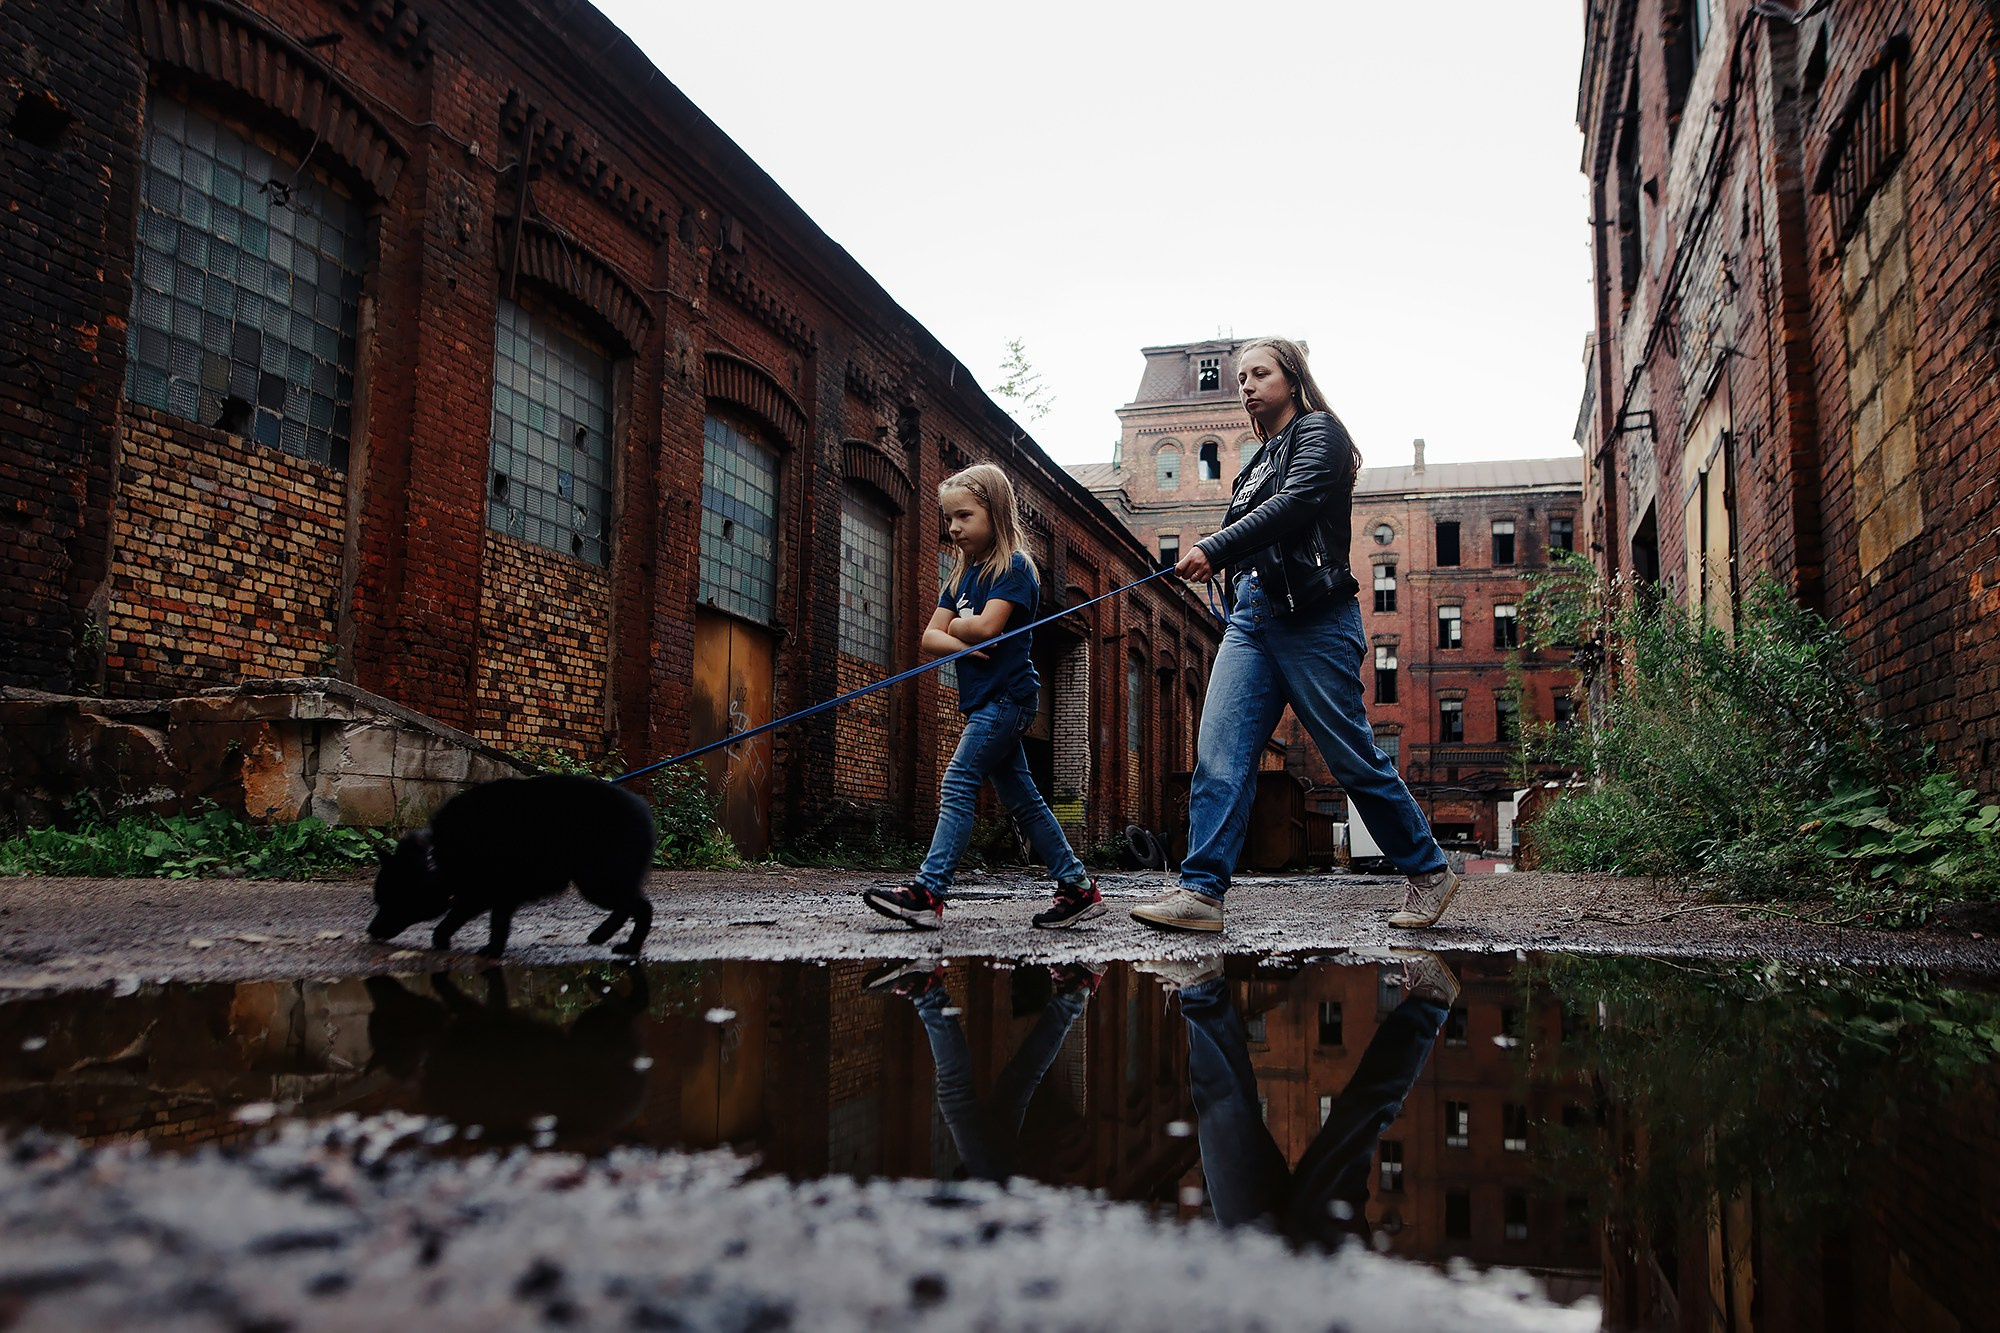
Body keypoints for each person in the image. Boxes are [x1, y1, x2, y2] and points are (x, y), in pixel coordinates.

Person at [1132, 338, 1461, 935]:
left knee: (1351, 758)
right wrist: (1230, 570)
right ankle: (1201, 892)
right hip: (1251, 623)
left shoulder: (1320, 433)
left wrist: (1215, 546)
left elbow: (1296, 504)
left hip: (1314, 619)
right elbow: (1255, 532)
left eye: (1260, 373)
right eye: (1241, 378)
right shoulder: (1256, 462)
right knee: (1219, 756)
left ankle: (1429, 871)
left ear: (1292, 379)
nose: (1247, 386)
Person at [863, 464, 1104, 930]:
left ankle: (928, 892)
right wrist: (963, 638)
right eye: (948, 517)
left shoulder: (1014, 568)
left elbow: (989, 627)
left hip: (1007, 698)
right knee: (1024, 800)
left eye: (964, 516)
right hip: (985, 700)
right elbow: (929, 639)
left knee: (957, 782)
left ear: (995, 513)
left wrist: (957, 629)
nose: (953, 527)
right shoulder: (960, 578)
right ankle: (1077, 887)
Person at [1139, 948, 1458, 1248]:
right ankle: (1430, 1000)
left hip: (1261, 1275)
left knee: (1222, 1123)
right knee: (1350, 1129)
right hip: (1322, 1280)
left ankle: (1202, 988)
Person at [863, 958, 1102, 1181]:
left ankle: (1074, 992)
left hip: (999, 1186)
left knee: (1020, 1079)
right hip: (991, 1184)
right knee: (955, 1094)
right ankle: (927, 991)